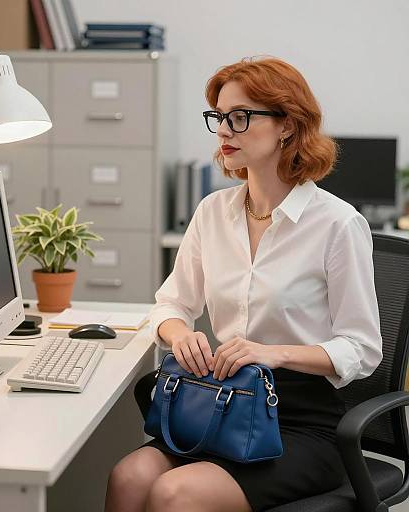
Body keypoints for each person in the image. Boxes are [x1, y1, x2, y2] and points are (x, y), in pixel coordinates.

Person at [104, 56, 383, 512]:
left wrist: (274, 352)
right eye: (219, 117)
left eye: (240, 117)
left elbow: (362, 348)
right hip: (221, 403)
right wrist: (181, 335)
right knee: (129, 477)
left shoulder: (337, 224)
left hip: (299, 422)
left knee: (175, 493)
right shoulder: (212, 213)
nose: (223, 131)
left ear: (287, 126)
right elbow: (170, 304)